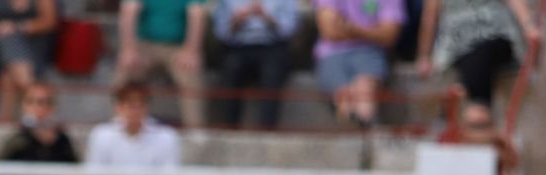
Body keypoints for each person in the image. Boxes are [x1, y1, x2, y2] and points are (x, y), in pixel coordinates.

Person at [415, 0, 537, 111]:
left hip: (495, 36)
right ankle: (476, 107)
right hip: (457, 44)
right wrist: (424, 56)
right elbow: (429, 17)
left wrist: (529, 26)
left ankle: (476, 107)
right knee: (474, 55)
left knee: (484, 51)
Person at [114, 0, 206, 129]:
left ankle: (196, 132)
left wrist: (191, 50)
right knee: (124, 74)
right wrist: (129, 49)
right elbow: (129, 10)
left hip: (177, 47)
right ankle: (118, 126)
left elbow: (197, 14)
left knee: (191, 79)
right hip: (145, 45)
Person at [312, 0, 403, 127]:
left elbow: (389, 35)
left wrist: (351, 28)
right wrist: (371, 31)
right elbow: (329, 31)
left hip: (371, 54)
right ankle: (359, 130)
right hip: (332, 56)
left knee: (364, 99)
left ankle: (364, 129)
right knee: (346, 102)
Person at [211, 0, 297, 129]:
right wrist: (236, 21)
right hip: (238, 46)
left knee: (273, 72)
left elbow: (290, 29)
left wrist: (268, 19)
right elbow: (221, 32)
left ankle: (267, 131)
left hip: (272, 46)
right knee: (230, 68)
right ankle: (229, 129)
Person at [84, 80, 180, 169]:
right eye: (131, 105)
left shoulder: (166, 137)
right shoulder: (101, 135)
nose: (136, 111)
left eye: (141, 105)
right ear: (118, 107)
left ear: (147, 107)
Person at [0, 0, 53, 122]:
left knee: (7, 71)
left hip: (34, 44)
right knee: (8, 41)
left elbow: (49, 21)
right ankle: (38, 107)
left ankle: (6, 121)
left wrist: (17, 27)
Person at [0, 81, 77, 162]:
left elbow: (74, 168)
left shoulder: (62, 141)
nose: (38, 108)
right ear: (23, 105)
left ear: (52, 107)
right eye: (31, 101)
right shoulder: (16, 139)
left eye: (44, 102)